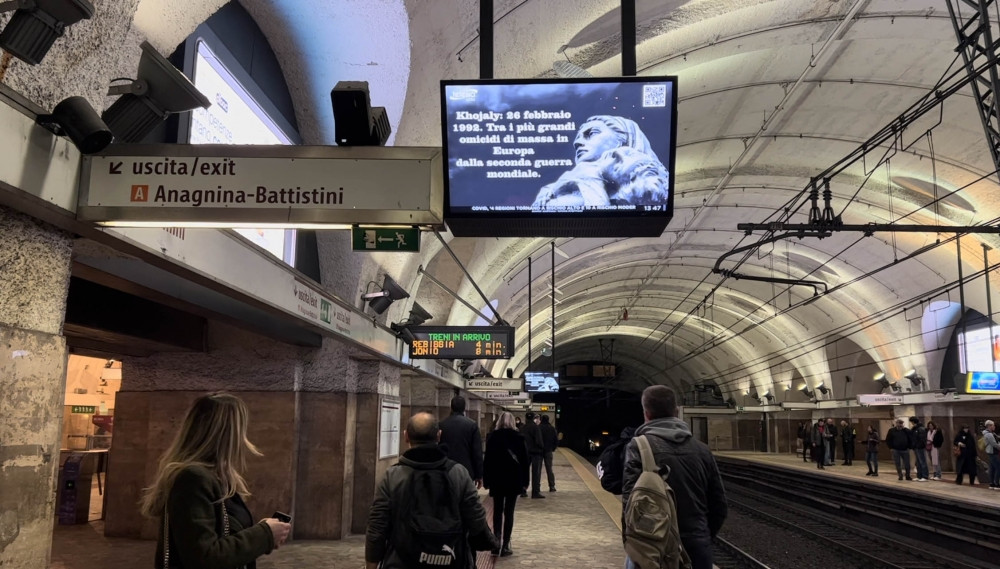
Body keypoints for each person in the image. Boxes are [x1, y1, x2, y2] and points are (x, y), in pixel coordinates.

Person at [140, 393, 290, 569]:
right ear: (229, 433)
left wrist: (265, 532)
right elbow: (205, 557)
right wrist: (264, 534)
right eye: (241, 428)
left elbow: (220, 535)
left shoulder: (215, 477)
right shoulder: (192, 479)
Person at [365, 412, 498, 569]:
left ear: (406, 436)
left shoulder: (392, 476)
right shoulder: (458, 473)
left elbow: (377, 526)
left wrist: (372, 564)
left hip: (401, 561)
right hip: (451, 560)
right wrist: (488, 542)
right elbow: (476, 518)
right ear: (439, 435)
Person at [621, 386, 727, 569]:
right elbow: (719, 505)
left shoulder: (638, 446)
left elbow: (630, 502)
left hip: (653, 544)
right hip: (697, 544)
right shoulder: (702, 449)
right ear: (677, 411)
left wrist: (632, 541)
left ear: (646, 413)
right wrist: (702, 535)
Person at [531, 115, 670, 210]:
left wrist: (587, 177)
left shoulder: (643, 186)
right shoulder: (555, 188)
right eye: (578, 138)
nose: (577, 143)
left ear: (621, 141)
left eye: (591, 133)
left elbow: (598, 206)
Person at [482, 412, 529, 557]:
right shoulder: (519, 438)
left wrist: (487, 479)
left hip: (497, 479)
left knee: (497, 510)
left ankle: (496, 543)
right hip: (513, 479)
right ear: (513, 422)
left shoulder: (492, 438)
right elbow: (525, 462)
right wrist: (525, 482)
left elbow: (487, 461)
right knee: (509, 512)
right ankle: (506, 544)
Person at [439, 395, 484, 489]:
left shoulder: (441, 424)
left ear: (451, 407)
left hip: (445, 469)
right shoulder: (472, 425)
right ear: (464, 408)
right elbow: (477, 452)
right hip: (466, 470)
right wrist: (479, 475)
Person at [520, 412, 545, 498]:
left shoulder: (522, 428)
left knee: (524, 472)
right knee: (535, 473)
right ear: (534, 418)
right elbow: (539, 441)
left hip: (524, 453)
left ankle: (523, 490)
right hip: (535, 453)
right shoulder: (535, 427)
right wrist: (542, 447)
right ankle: (535, 492)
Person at [539, 414, 558, 492]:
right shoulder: (552, 428)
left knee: (538, 470)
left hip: (539, 451)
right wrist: (553, 448)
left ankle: (537, 487)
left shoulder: (538, 428)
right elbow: (556, 440)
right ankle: (552, 486)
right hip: (548, 451)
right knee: (549, 469)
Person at [909, 416, 929, 482]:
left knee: (922, 461)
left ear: (913, 421)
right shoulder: (915, 428)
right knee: (918, 462)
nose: (911, 423)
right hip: (916, 447)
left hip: (920, 447)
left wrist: (919, 445)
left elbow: (922, 439)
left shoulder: (921, 428)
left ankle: (925, 476)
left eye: (911, 422)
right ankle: (919, 475)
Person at [983, 419, 1000, 489]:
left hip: (991, 452)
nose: (994, 426)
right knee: (998, 468)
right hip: (993, 452)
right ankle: (996, 484)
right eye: (993, 425)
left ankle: (992, 483)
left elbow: (997, 438)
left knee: (992, 468)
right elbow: (994, 444)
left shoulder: (991, 433)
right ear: (989, 426)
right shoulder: (989, 434)